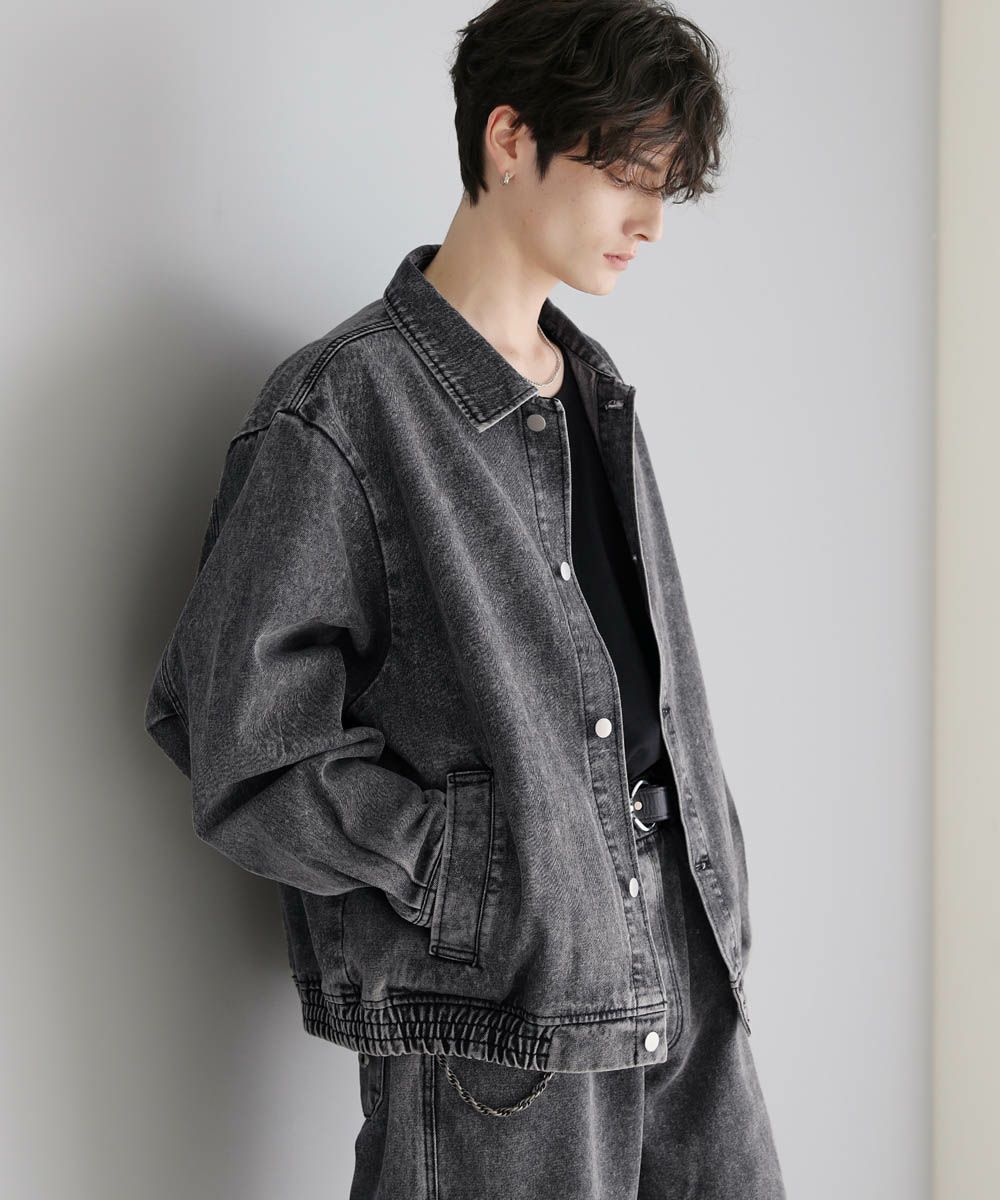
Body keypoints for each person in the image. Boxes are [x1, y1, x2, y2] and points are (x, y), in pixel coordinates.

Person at [143, 1, 787, 1195]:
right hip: (500, 1027)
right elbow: (241, 743)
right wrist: (473, 873)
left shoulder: (591, 393)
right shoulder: (344, 409)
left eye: (665, 186)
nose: (650, 221)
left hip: (681, 977)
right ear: (509, 137)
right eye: (625, 174)